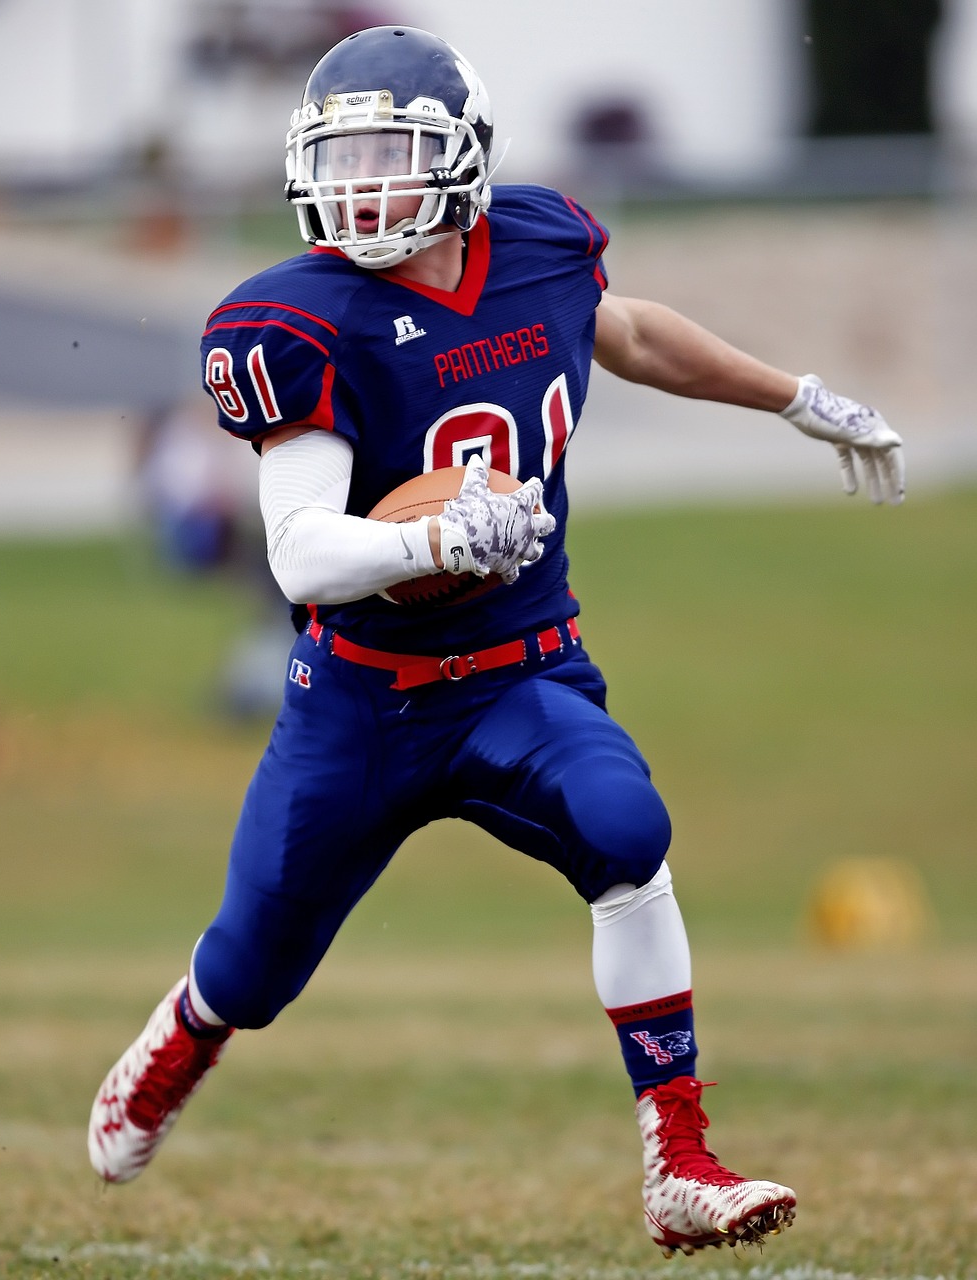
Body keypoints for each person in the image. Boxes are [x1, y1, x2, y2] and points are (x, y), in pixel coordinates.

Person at [87, 25, 905, 1259]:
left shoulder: (537, 242)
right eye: (343, 153)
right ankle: (185, 1030)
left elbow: (622, 334)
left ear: (464, 159)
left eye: (392, 153)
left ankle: (679, 1155)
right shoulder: (295, 319)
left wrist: (792, 395)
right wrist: (440, 540)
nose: (363, 182)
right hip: (360, 703)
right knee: (254, 968)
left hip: (521, 671)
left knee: (628, 831)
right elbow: (301, 552)